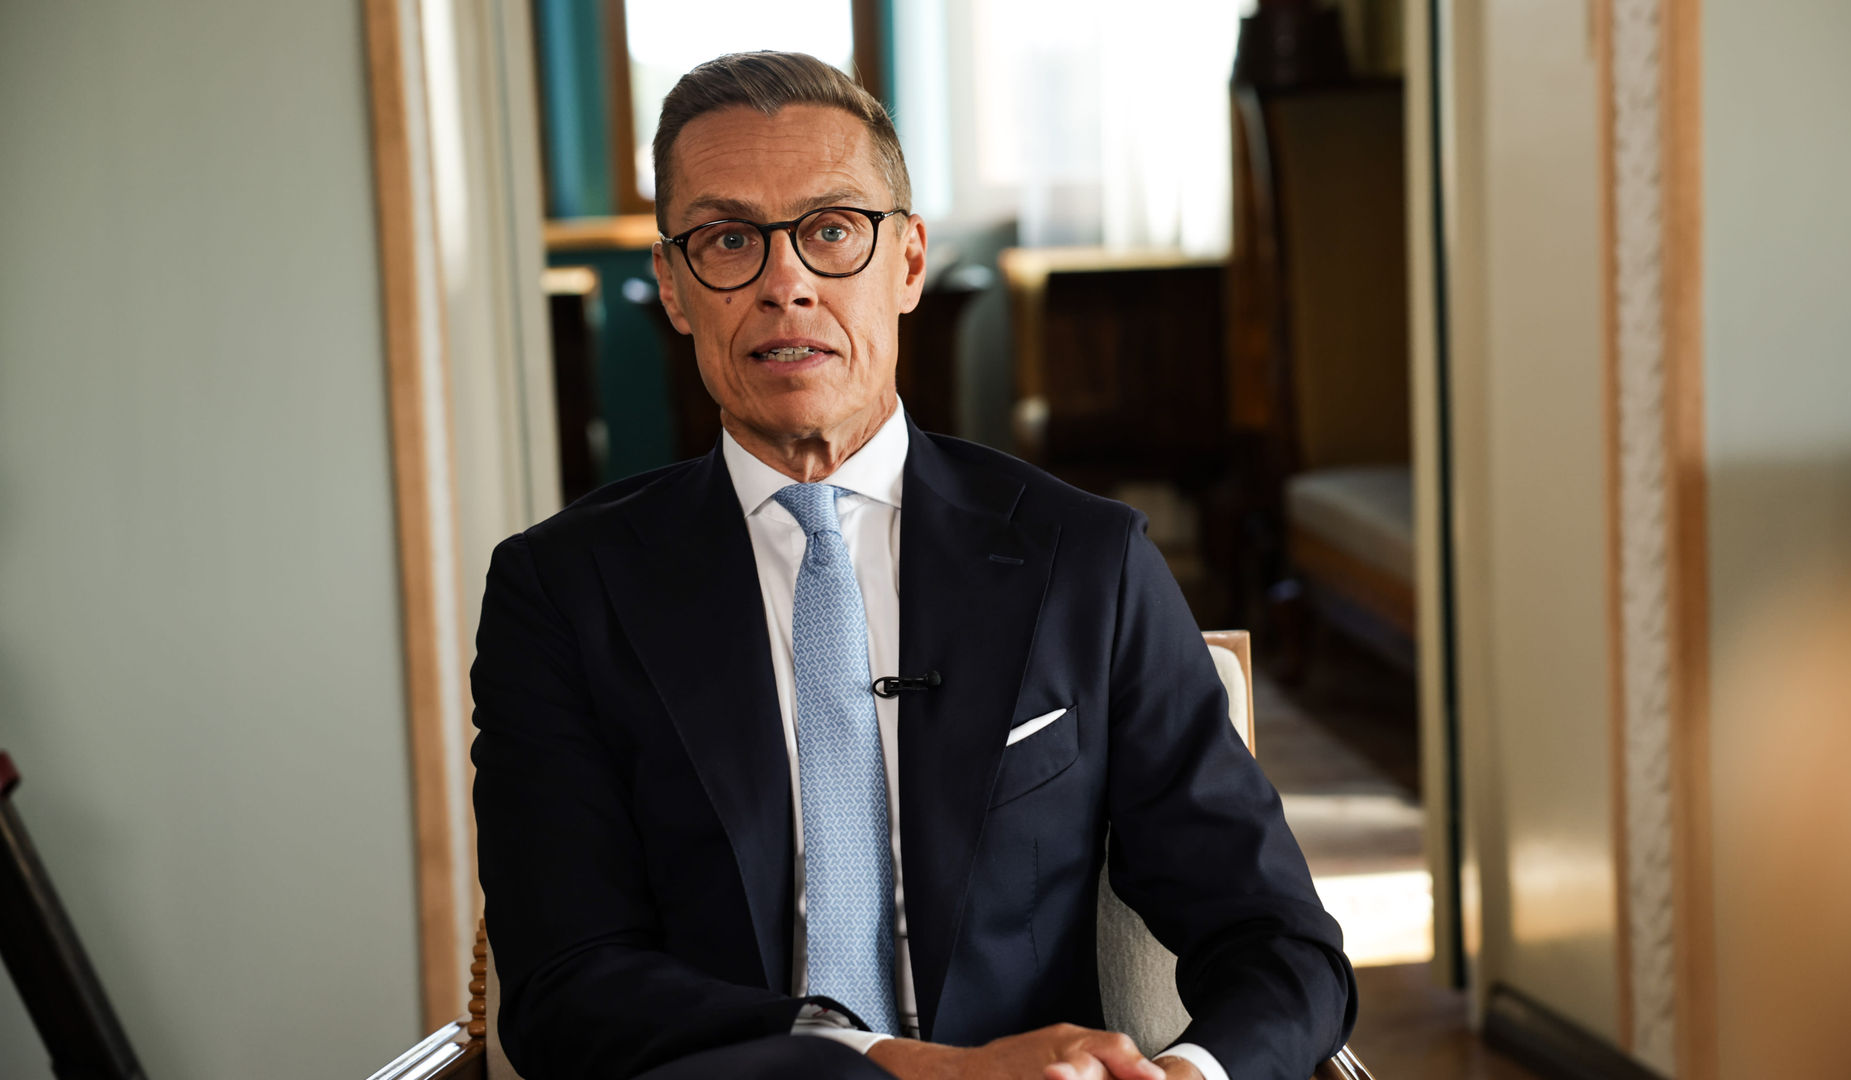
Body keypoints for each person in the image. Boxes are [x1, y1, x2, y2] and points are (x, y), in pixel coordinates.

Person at [470, 51, 1354, 1080]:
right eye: (728, 240)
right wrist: (903, 1068)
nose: (786, 284)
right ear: (673, 287)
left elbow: (1279, 944)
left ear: (909, 261)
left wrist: (1188, 1077)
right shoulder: (560, 592)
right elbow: (565, 990)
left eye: (832, 230)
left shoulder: (1086, 562)